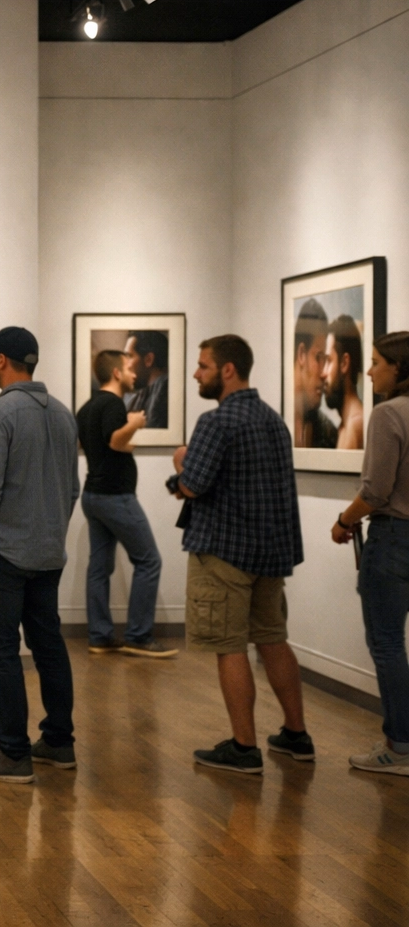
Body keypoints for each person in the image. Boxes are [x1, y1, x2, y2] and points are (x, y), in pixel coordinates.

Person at [171, 334, 311, 774]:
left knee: (228, 645)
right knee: (272, 638)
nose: (197, 373)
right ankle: (296, 734)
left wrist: (180, 462)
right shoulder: (274, 421)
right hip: (270, 554)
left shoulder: (218, 422)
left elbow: (192, 485)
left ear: (227, 370)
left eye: (203, 366)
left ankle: (244, 747)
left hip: (224, 554)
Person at [0, 327, 79, 784]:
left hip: (2, 555)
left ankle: (12, 753)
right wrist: (50, 534)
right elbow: (72, 490)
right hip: (47, 554)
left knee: (2, 652)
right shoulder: (64, 416)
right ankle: (58, 741)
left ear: (3, 360)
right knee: (49, 646)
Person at [330, 331, 409, 775]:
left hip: (394, 539)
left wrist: (344, 521)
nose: (370, 368)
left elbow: (376, 491)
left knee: (387, 644)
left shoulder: (388, 413)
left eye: (377, 361)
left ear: (398, 368)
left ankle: (400, 747)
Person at [76, 349, 174, 658]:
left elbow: (97, 444)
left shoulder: (87, 406)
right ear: (117, 373)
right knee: (149, 560)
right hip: (114, 496)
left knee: (99, 567)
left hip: (93, 495)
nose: (135, 374)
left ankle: (100, 636)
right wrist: (134, 422)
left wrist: (125, 433)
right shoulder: (113, 404)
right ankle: (138, 636)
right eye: (130, 369)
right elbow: (115, 440)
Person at [294, 299, 338, 449]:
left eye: (326, 360)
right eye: (318, 358)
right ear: (301, 354)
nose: (324, 373)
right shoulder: (273, 427)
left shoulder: (329, 433)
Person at [325, 314, 365, 450]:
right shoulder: (345, 425)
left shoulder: (356, 424)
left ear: (344, 363)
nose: (323, 373)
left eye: (328, 361)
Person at [124, 330, 170, 430]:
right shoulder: (139, 396)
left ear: (149, 359)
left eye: (129, 356)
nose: (126, 365)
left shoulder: (165, 387)